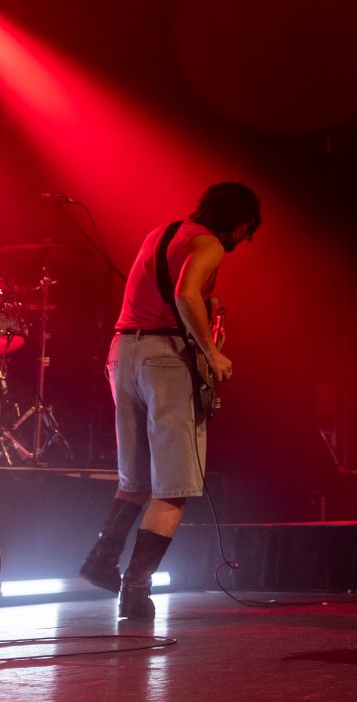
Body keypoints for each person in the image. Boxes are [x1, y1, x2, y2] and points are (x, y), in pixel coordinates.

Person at [79, 182, 261, 619]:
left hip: (123, 352)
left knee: (135, 480)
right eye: (247, 228)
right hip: (164, 359)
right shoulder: (208, 244)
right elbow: (184, 293)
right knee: (174, 488)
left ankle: (101, 560)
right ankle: (135, 591)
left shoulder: (160, 233)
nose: (245, 238)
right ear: (237, 221)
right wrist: (212, 353)